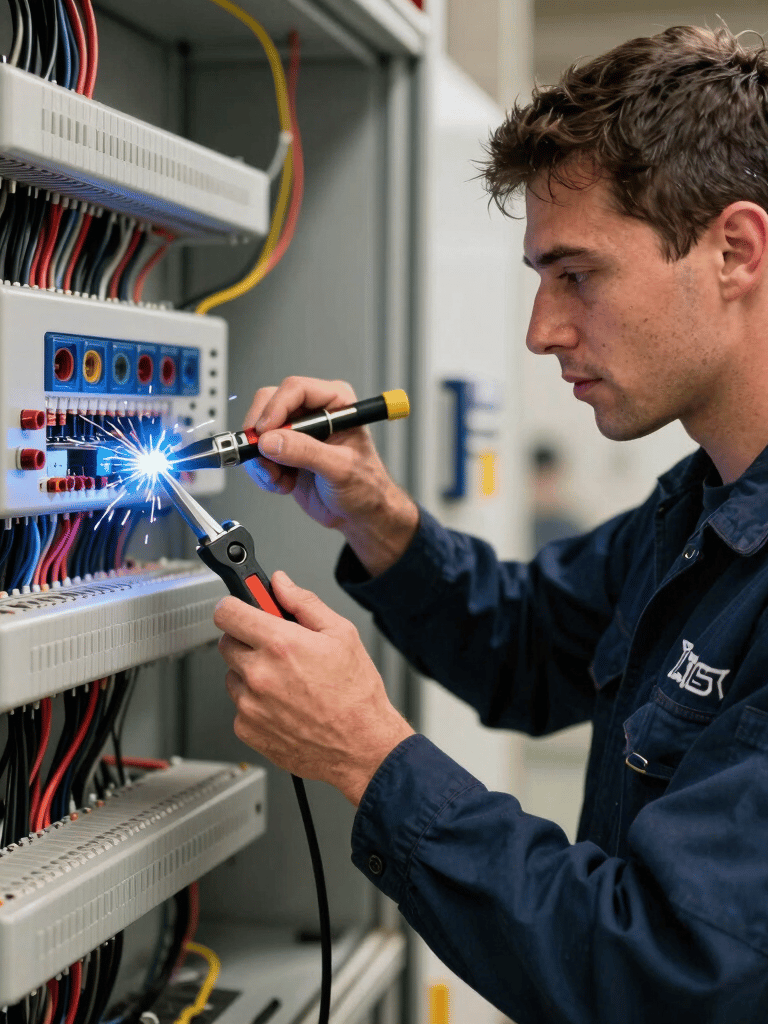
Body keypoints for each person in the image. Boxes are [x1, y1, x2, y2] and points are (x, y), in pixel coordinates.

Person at [213, 25, 768, 1023]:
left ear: (735, 250)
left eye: (578, 275)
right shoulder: (701, 507)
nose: (542, 330)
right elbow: (532, 642)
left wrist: (367, 753)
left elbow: (660, 971)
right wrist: (379, 519)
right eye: (537, 278)